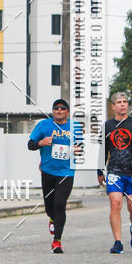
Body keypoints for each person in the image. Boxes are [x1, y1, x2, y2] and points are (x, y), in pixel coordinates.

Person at [97, 92, 132, 254]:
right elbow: (102, 150)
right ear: (113, 106)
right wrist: (100, 170)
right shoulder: (107, 126)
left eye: (125, 102)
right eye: (118, 102)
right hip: (115, 172)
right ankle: (117, 242)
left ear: (128, 105)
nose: (122, 104)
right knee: (115, 204)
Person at [27, 99, 82, 253]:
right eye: (56, 108)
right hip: (48, 171)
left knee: (60, 203)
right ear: (52, 111)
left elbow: (81, 148)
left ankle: (57, 241)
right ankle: (52, 218)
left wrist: (77, 150)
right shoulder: (44, 125)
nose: (59, 110)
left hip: (66, 172)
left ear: (67, 112)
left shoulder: (75, 127)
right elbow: (30, 144)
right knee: (49, 206)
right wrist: (41, 143)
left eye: (62, 108)